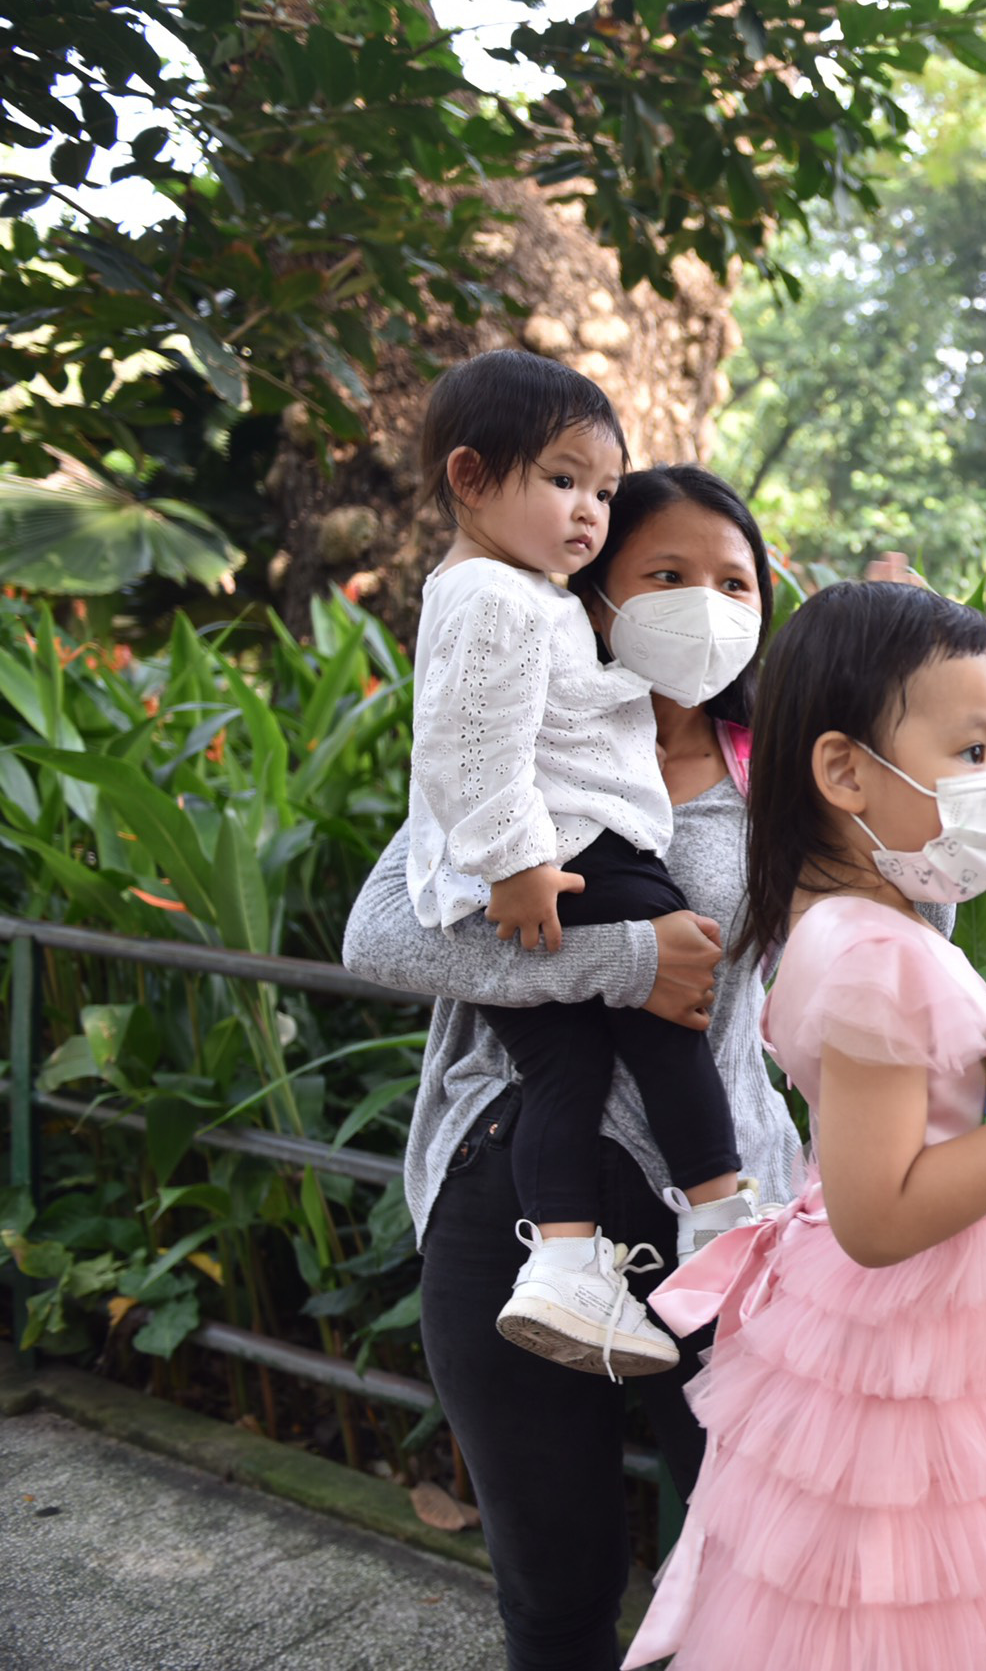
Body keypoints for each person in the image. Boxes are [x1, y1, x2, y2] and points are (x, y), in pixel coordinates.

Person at [344, 464, 838, 1669]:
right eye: (664, 574)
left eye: (734, 580)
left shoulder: (781, 780)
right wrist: (624, 956)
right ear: (594, 594)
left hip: (722, 1215)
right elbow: (384, 934)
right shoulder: (505, 756)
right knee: (556, 1587)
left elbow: (876, 965)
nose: (705, 604)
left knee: (755, 1568)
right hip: (511, 1195)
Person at [621, 581, 986, 1670]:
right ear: (843, 767)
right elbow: (878, 1212)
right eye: (968, 752)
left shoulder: (856, 923)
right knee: (911, 1611)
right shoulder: (872, 953)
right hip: (906, 1335)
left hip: (901, 1336)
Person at [405, 351, 758, 1378]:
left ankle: (564, 1263)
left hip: (542, 855)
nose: (587, 510)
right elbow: (468, 743)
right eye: (565, 481)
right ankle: (721, 1220)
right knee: (666, 1011)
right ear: (472, 477)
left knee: (567, 1061)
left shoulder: (766, 770)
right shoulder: (502, 598)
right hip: (575, 847)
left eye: (602, 490)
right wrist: (525, 872)